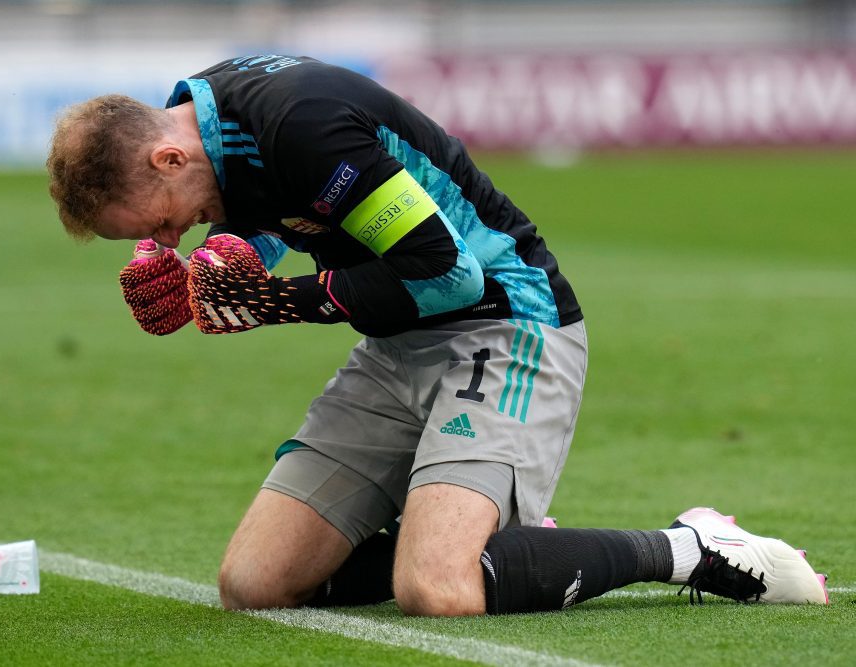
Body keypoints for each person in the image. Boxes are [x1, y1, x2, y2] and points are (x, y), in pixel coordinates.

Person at [45, 54, 828, 615]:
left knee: (437, 588)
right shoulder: (208, 117)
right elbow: (282, 214)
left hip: (507, 322)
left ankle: (688, 546)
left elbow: (451, 276)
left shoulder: (300, 124)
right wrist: (217, 272)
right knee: (254, 584)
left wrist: (276, 303)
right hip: (395, 344)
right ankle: (493, 539)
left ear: (168, 155)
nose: (167, 238)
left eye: (158, 223)